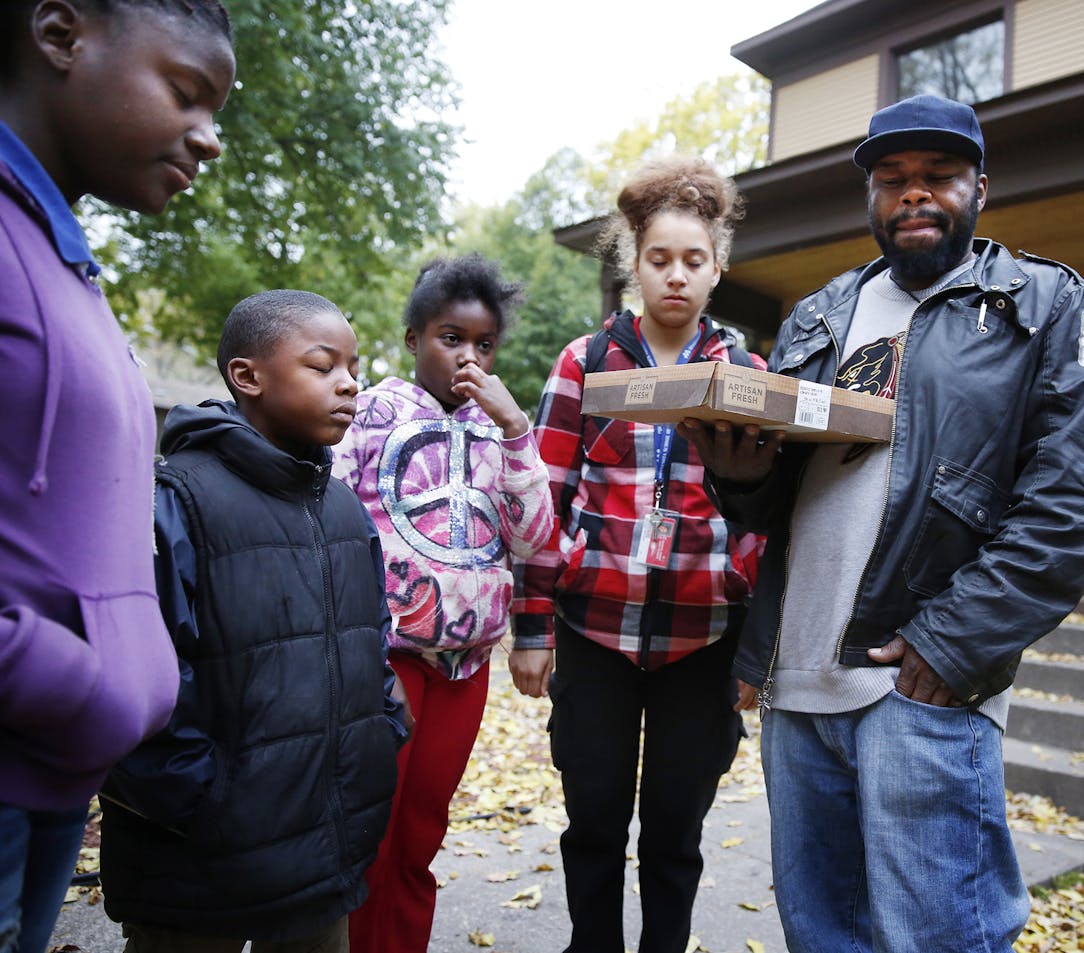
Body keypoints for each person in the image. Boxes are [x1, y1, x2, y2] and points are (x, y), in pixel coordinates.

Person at [681, 94, 1084, 953]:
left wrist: (953, 643)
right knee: (823, 937)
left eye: (939, 176)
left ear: (980, 188)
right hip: (798, 684)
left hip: (919, 683)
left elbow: (1070, 504)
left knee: (938, 939)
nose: (914, 194)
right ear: (871, 199)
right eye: (893, 180)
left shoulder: (1043, 304)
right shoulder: (820, 314)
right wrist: (742, 479)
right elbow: (787, 498)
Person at [0, 2, 235, 951]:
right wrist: (70, 677)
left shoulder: (60, 260)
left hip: (52, 785)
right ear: (61, 35)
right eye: (187, 92)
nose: (211, 139)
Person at [97, 291, 407, 952]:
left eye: (355, 366)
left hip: (324, 857)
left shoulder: (347, 511)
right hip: (196, 868)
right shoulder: (173, 502)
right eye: (324, 366)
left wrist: (382, 732)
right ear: (248, 376)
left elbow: (370, 645)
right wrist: (198, 804)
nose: (350, 382)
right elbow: (134, 678)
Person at [512, 156, 764, 953]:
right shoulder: (585, 362)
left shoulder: (748, 375)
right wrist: (530, 626)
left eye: (694, 260)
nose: (677, 276)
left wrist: (754, 636)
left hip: (704, 639)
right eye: (660, 258)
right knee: (593, 819)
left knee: (674, 831)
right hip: (596, 633)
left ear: (717, 269)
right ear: (635, 264)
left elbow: (764, 520)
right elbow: (541, 500)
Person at [335, 254, 554, 953]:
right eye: (450, 337)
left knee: (423, 828)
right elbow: (330, 513)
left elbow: (534, 536)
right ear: (413, 339)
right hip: (382, 661)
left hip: (465, 667)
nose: (468, 355)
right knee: (370, 826)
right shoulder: (369, 413)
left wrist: (518, 429)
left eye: (483, 344)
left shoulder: (501, 429)